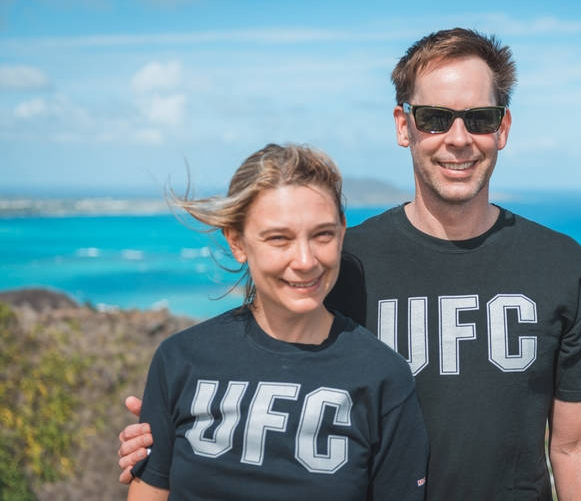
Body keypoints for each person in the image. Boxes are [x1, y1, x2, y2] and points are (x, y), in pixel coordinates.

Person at [120, 28, 581, 501]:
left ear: (502, 127)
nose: (458, 139)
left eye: (479, 118)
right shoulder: (336, 264)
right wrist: (179, 435)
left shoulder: (561, 267)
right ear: (404, 125)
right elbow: (259, 372)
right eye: (435, 118)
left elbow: (576, 443)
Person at [126, 144, 428, 501]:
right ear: (237, 242)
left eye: (322, 235)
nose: (304, 260)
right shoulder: (180, 360)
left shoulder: (382, 376)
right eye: (278, 238)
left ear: (342, 232)